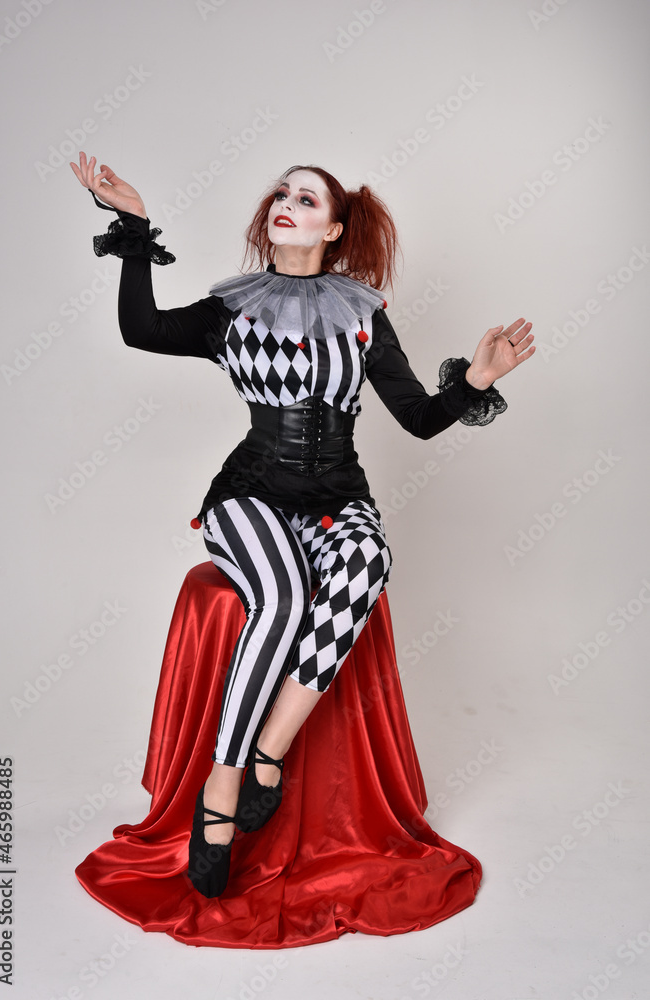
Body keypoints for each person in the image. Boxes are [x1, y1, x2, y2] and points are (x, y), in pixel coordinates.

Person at [70, 151, 534, 900]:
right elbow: (141, 329)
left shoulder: (361, 317)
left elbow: (416, 420)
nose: (287, 202)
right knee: (282, 598)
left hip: (335, 495)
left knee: (365, 563)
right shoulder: (233, 308)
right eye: (281, 192)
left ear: (334, 228)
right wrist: (132, 225)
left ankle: (268, 752)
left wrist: (474, 383)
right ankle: (222, 788)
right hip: (249, 492)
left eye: (308, 198)